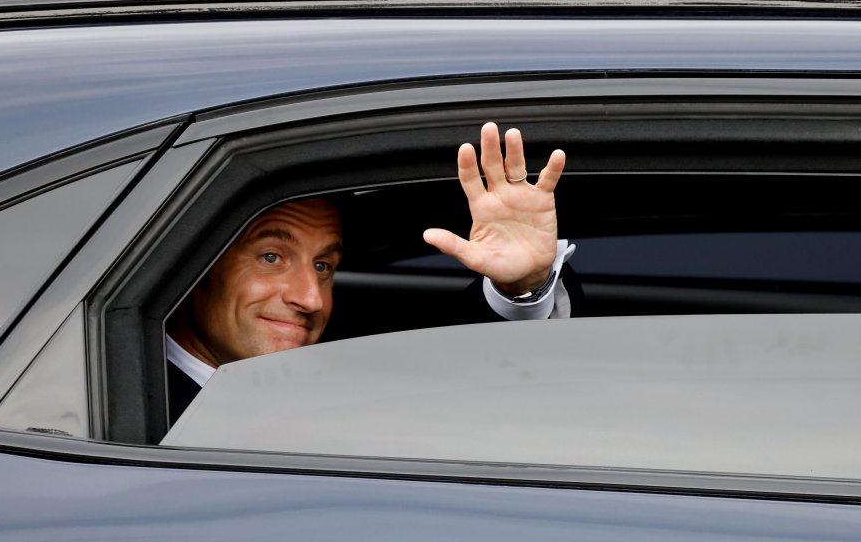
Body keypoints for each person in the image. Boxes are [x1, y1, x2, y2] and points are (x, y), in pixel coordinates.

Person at [165, 122, 576, 422]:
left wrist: (521, 287)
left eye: (323, 265)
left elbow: (467, 391)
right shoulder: (128, 410)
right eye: (272, 257)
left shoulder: (344, 385)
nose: (311, 298)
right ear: (198, 263)